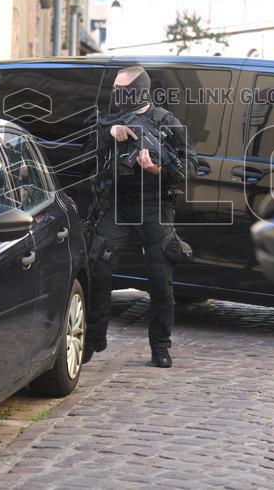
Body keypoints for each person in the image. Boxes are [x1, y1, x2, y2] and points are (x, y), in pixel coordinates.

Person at [83, 66, 197, 368]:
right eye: (115, 88)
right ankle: (93, 339)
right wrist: (109, 133)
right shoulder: (110, 118)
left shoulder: (166, 122)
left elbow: (191, 167)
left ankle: (160, 346)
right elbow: (87, 149)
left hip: (153, 205)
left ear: (139, 90)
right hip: (117, 205)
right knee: (98, 269)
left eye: (123, 88)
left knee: (161, 279)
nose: (117, 94)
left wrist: (156, 169)